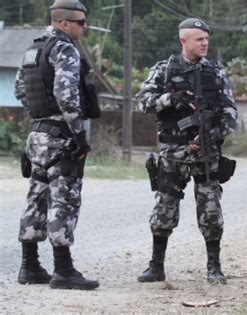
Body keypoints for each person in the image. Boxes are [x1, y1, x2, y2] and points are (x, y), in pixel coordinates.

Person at [136, 18, 237, 284]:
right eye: (199, 39)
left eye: (207, 39)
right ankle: (156, 266)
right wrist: (171, 99)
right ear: (184, 41)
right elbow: (143, 102)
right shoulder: (164, 70)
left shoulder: (216, 72)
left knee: (211, 210)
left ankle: (214, 267)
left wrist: (215, 134)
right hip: (173, 153)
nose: (205, 43)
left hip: (206, 153)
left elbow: (230, 112)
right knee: (164, 209)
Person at [14, 0, 99, 290]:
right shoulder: (64, 48)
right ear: (64, 24)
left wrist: (40, 118)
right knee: (65, 199)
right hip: (61, 135)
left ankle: (30, 266)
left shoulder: (33, 49)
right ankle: (63, 271)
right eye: (80, 22)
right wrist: (78, 135)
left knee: (36, 197)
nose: (84, 27)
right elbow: (67, 96)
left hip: (37, 134)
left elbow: (20, 90)